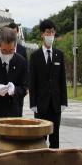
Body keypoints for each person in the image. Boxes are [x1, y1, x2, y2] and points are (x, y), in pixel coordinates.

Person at [29, 19, 67, 149]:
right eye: (47, 32)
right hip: (41, 104)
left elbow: (62, 79)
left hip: (55, 103)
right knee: (41, 137)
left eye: (52, 32)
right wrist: (33, 103)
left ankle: (54, 164)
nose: (50, 35)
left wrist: (63, 101)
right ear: (42, 34)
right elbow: (32, 81)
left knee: (55, 136)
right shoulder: (35, 56)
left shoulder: (59, 55)